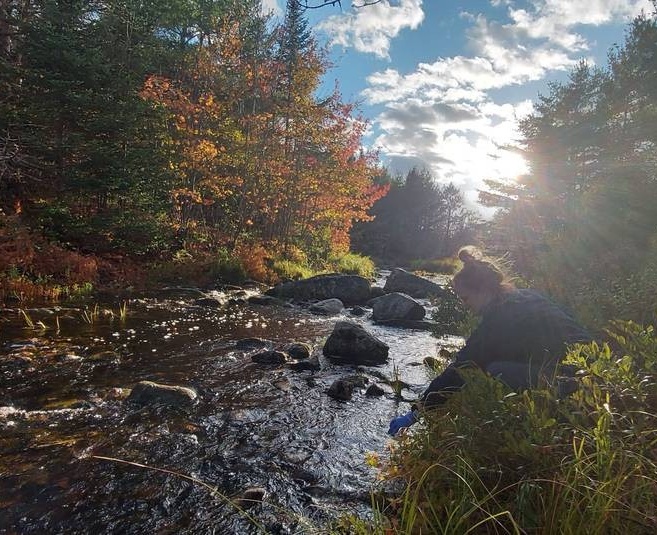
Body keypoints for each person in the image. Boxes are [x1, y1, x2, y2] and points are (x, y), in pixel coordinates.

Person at [388, 246, 592, 436]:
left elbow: (460, 370)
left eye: (465, 299)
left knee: (496, 369)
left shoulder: (498, 321)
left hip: (573, 377)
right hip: (597, 366)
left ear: (482, 290)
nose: (465, 306)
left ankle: (560, 410)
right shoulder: (528, 296)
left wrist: (415, 414)